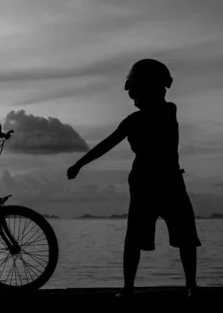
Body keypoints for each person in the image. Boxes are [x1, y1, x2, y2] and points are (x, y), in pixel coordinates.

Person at [66, 58, 201, 298]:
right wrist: (80, 163)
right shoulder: (135, 121)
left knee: (185, 237)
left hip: (167, 183)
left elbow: (107, 143)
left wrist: (79, 164)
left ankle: (190, 284)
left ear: (149, 89)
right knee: (135, 239)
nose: (132, 97)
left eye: (135, 91)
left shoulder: (167, 111)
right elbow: (106, 145)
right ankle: (130, 287)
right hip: (147, 186)